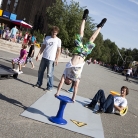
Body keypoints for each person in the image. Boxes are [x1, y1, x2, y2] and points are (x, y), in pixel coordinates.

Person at [55, 9, 107, 101]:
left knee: (81, 34)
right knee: (92, 39)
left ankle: (84, 18)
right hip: (83, 54)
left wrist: (58, 92)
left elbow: (60, 82)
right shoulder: (76, 78)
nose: (68, 80)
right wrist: (73, 98)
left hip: (77, 51)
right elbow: (76, 88)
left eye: (67, 81)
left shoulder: (65, 73)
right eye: (69, 81)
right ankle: (100, 26)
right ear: (70, 82)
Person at [33, 26, 61, 91]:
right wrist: (39, 54)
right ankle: (39, 83)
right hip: (44, 57)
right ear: (51, 31)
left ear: (57, 33)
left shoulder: (58, 40)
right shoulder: (47, 38)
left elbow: (59, 51)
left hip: (51, 59)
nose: (54, 33)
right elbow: (43, 46)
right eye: (53, 32)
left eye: (56, 33)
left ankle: (50, 86)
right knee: (40, 71)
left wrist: (57, 59)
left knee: (49, 74)